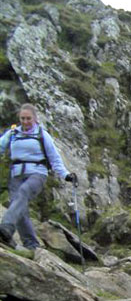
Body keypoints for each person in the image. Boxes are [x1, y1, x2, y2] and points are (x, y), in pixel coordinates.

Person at [0, 103, 76, 250]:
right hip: (16, 174)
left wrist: (65, 175)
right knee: (19, 206)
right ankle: (31, 245)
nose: (25, 122)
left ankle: (6, 227)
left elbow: (54, 158)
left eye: (28, 118)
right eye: (22, 118)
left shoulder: (42, 134)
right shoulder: (13, 133)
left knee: (23, 193)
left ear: (35, 118)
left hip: (37, 173)